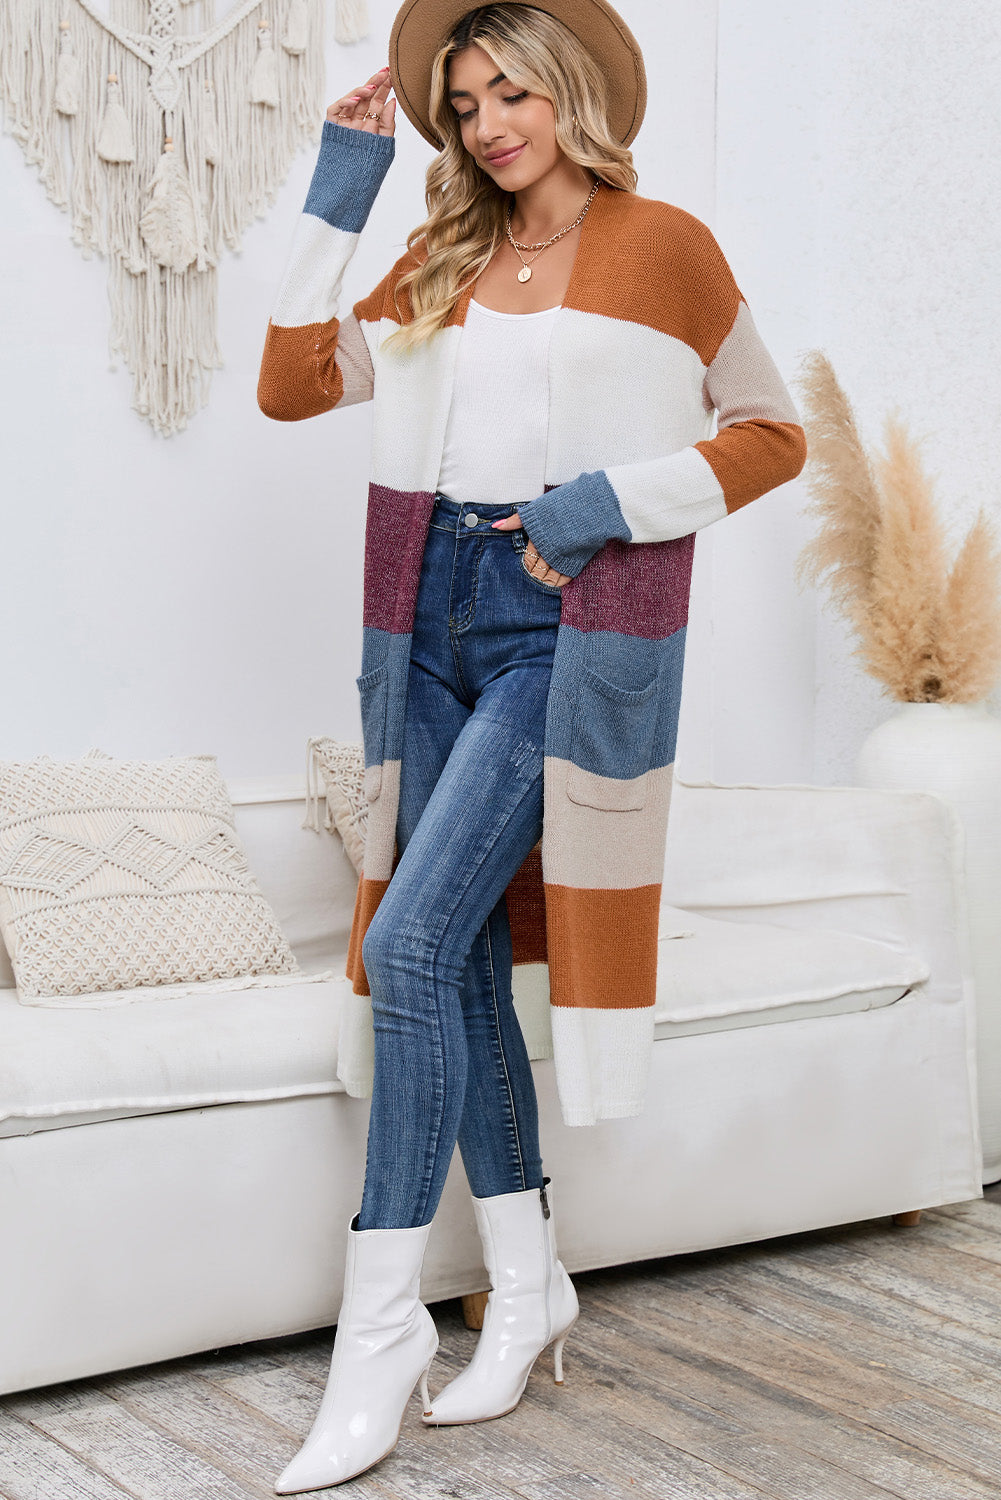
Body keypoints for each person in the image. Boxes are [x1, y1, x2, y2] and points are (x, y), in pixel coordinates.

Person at [258, 1, 806, 1489]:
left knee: (415, 950)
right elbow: (291, 383)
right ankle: (528, 1283)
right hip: (417, 616)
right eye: (466, 102)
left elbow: (766, 430)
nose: (492, 122)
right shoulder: (439, 255)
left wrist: (588, 511)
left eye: (513, 91)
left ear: (567, 90)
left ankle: (377, 1331)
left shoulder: (663, 245)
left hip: (556, 622)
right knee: (465, 959)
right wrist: (341, 182)